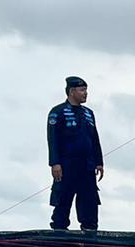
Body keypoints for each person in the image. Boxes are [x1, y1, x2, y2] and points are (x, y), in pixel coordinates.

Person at [47, 76, 104, 231]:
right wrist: (55, 163)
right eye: (82, 90)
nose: (85, 93)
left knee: (89, 200)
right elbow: (52, 140)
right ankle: (59, 231)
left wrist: (99, 162)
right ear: (72, 91)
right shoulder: (57, 112)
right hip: (66, 165)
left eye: (86, 90)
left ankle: (90, 231)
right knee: (63, 198)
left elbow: (94, 138)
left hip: (86, 165)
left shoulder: (88, 113)